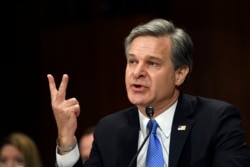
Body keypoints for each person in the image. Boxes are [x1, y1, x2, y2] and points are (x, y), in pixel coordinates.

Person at [47, 18, 250, 167]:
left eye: (152, 63)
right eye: (132, 61)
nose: (137, 73)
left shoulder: (215, 120)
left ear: (179, 74)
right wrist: (66, 138)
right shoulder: (110, 130)